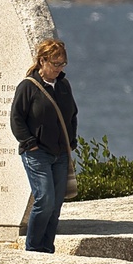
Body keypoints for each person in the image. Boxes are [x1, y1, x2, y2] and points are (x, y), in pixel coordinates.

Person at [9, 38, 78, 253]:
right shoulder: (28, 87)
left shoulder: (64, 85)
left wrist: (71, 141)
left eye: (62, 64)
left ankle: (47, 247)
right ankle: (34, 247)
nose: (59, 68)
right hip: (37, 153)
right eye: (55, 63)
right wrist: (30, 143)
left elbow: (72, 114)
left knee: (56, 204)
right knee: (45, 199)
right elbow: (16, 118)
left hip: (61, 153)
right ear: (42, 61)